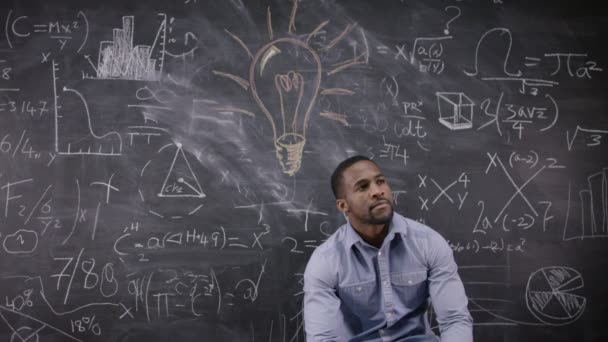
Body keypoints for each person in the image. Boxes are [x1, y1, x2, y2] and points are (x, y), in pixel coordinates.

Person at [303, 156, 473, 341]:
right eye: (363, 187)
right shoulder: (326, 260)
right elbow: (322, 338)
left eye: (380, 181)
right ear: (343, 205)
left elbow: (454, 319)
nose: (377, 191)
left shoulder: (428, 242)